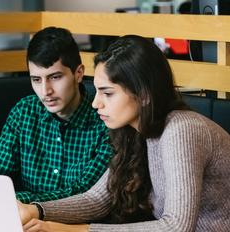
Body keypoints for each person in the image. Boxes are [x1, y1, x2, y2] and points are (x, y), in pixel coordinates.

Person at [18, 35, 230, 231]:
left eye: (107, 93)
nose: (95, 103)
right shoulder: (134, 131)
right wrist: (36, 210)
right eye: (97, 91)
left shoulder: (181, 129)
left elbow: (176, 227)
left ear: (144, 94)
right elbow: (98, 199)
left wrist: (76, 230)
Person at [0, 27, 113, 203]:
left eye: (55, 77)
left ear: (78, 73)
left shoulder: (105, 121)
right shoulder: (24, 112)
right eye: (36, 80)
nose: (46, 91)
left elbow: (84, 195)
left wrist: (20, 202)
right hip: (24, 222)